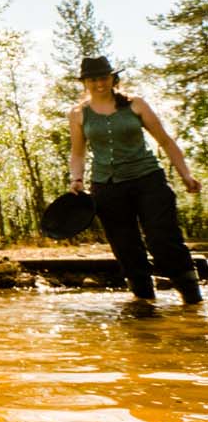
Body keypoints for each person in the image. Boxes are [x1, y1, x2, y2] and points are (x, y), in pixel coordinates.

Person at [68, 56, 202, 304]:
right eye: (93, 79)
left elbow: (165, 141)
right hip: (107, 188)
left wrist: (186, 174)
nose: (99, 84)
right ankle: (145, 307)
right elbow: (78, 152)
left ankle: (193, 300)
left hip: (148, 180)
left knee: (163, 240)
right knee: (126, 248)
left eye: (104, 77)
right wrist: (76, 179)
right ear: (85, 82)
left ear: (112, 78)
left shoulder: (135, 104)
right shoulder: (78, 114)